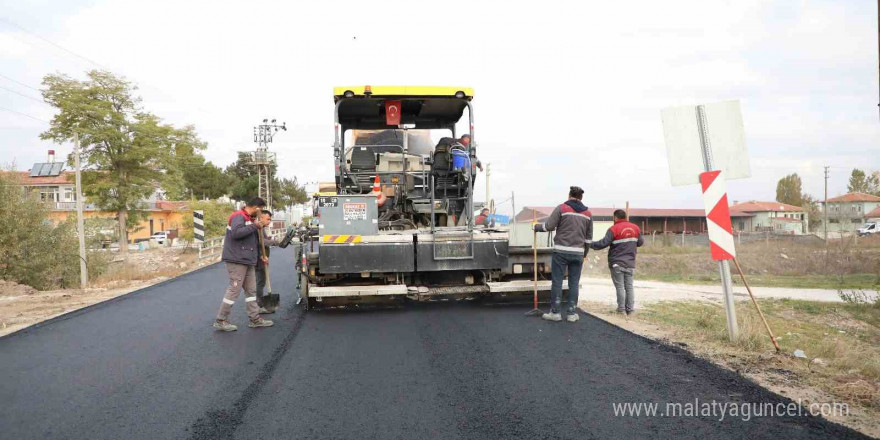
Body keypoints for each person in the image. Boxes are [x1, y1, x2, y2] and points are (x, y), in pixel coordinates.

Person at [213, 197, 274, 331]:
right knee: (234, 290)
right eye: (261, 210)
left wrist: (261, 257)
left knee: (251, 291)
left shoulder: (250, 220)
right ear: (257, 208)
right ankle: (221, 320)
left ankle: (255, 319)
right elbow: (236, 233)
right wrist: (254, 226)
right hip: (237, 260)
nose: (261, 213)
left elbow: (254, 242)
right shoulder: (238, 217)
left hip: (248, 260)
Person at [534, 186, 592, 322]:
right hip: (578, 253)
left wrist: (536, 227)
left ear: (569, 195)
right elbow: (588, 238)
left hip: (561, 251)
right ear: (581, 197)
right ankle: (572, 313)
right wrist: (585, 254)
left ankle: (555, 313)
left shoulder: (562, 208)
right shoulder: (588, 214)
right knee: (574, 283)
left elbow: (549, 226)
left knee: (558, 282)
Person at [590, 209, 644, 315]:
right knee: (629, 287)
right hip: (630, 263)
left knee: (620, 287)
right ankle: (630, 310)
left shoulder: (613, 229)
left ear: (615, 217)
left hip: (617, 263)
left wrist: (589, 244)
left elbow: (603, 243)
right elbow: (640, 243)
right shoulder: (636, 228)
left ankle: (621, 310)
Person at [255, 210, 278, 314]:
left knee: (261, 282)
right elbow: (260, 242)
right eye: (268, 219)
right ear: (261, 218)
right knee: (260, 282)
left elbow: (263, 239)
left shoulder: (262, 228)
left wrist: (270, 239)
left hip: (262, 258)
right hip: (259, 259)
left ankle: (258, 305)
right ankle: (258, 306)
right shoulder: (257, 228)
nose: (269, 221)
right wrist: (275, 242)